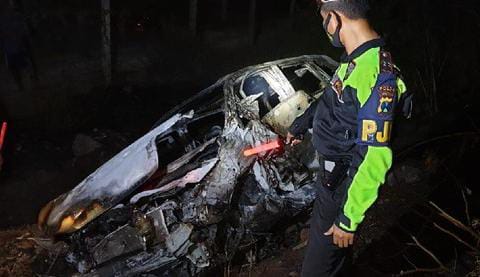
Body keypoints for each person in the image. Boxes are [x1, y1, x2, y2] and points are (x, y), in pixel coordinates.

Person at [286, 0, 412, 276]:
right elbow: (332, 97)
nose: (325, 29)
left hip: (344, 186)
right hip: (330, 180)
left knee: (315, 271)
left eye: (324, 21)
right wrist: (300, 124)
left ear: (335, 18)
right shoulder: (354, 59)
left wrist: (348, 219)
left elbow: (375, 156)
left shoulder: (379, 75)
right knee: (335, 263)